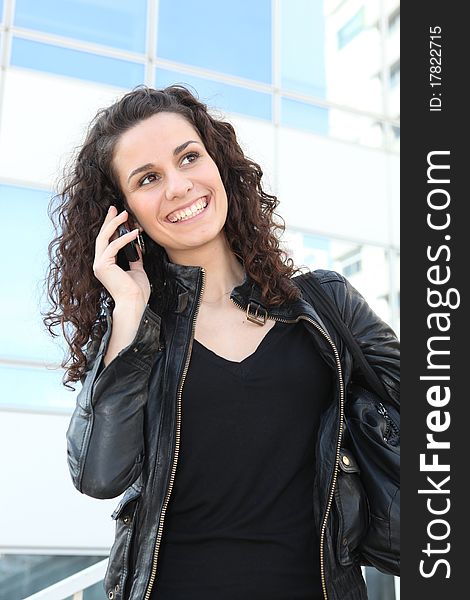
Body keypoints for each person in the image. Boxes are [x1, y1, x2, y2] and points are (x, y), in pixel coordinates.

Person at [44, 85, 400, 600]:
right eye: (148, 179)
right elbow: (100, 473)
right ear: (122, 214)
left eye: (188, 157)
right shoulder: (139, 330)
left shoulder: (325, 304)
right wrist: (127, 310)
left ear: (219, 164)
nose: (179, 186)